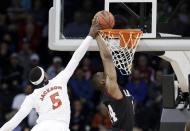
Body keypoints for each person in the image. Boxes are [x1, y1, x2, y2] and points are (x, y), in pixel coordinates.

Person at [0, 17, 100, 131]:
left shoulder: (31, 97)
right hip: (60, 127)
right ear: (46, 75)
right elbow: (76, 57)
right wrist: (90, 35)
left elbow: (14, 121)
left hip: (40, 128)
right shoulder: (60, 79)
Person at [92, 35, 134, 131]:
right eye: (99, 74)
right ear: (102, 81)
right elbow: (107, 58)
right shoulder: (111, 88)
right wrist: (98, 36)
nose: (101, 71)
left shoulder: (109, 92)